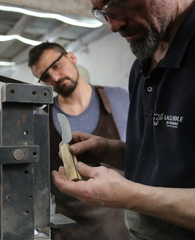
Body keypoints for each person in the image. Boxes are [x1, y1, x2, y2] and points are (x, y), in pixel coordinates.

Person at [52, 0, 195, 239]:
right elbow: (178, 161)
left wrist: (130, 196)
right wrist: (110, 151)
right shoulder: (143, 62)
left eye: (120, 3)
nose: (113, 26)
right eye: (104, 13)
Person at [28, 42, 130, 240]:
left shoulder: (119, 99)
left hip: (120, 221)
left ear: (71, 57)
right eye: (45, 77)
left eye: (56, 66)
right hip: (69, 225)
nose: (55, 78)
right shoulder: (39, 117)